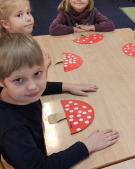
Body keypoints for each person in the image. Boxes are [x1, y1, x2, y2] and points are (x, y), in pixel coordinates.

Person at [0, 33, 119, 168]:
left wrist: (67, 87)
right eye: (18, 80)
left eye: (37, 73)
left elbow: (40, 88)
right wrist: (87, 145)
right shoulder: (12, 128)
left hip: (34, 143)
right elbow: (40, 166)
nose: (33, 87)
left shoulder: (19, 93)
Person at [49, 0, 115, 36]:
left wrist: (89, 27)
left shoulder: (92, 11)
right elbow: (53, 29)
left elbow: (110, 25)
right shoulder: (65, 13)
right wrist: (74, 29)